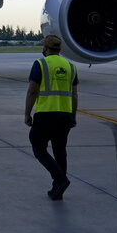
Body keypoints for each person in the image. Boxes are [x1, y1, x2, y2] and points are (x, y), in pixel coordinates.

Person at [25, 34, 78, 201]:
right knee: (60, 150)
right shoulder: (70, 66)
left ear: (46, 48)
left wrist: (27, 113)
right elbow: (75, 95)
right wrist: (73, 116)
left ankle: (60, 179)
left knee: (38, 147)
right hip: (65, 115)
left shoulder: (40, 64)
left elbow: (32, 90)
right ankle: (58, 189)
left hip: (46, 114)